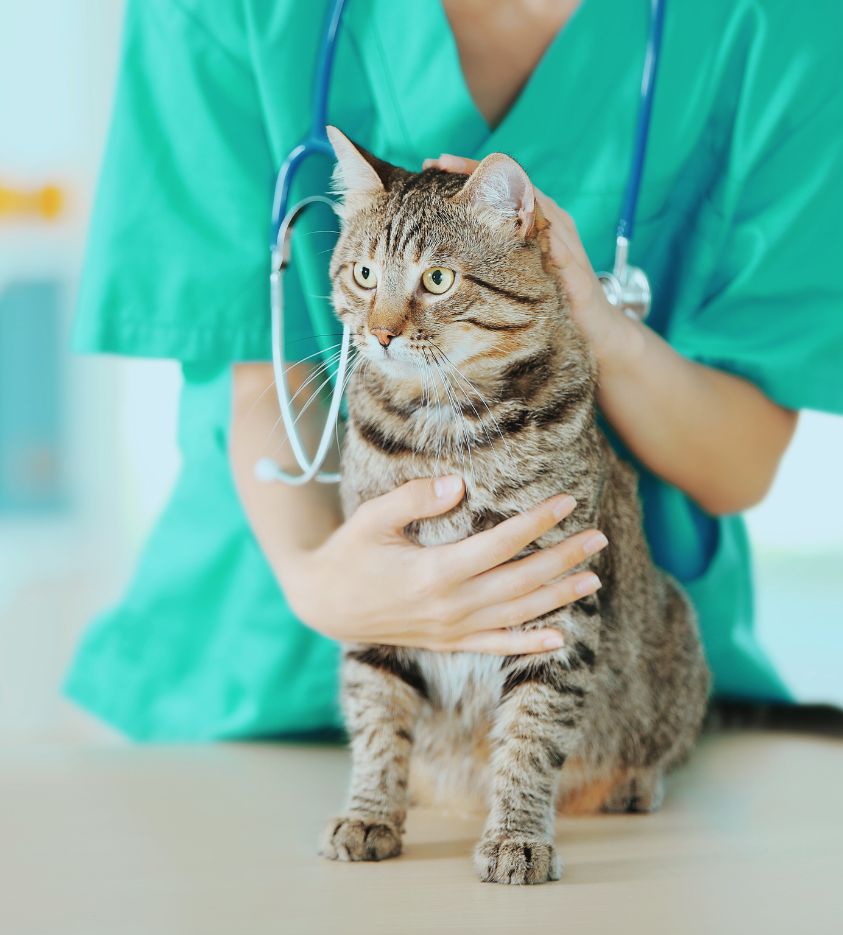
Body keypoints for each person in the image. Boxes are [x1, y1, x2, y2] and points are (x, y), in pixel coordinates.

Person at [66, 0, 843, 740]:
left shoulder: (783, 25)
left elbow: (740, 460)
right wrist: (318, 582)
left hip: (595, 687)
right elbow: (262, 376)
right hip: (259, 673)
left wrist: (599, 328)